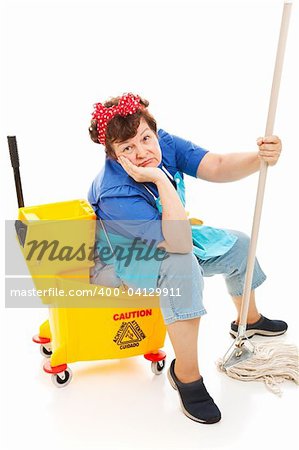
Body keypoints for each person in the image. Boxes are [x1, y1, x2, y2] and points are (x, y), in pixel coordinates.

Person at [88, 92, 287, 424]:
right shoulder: (115, 191)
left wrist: (260, 158)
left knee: (238, 245)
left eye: (145, 139)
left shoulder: (162, 143)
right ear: (112, 154)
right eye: (127, 149)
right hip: (125, 262)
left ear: (153, 131)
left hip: (170, 238)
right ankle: (186, 374)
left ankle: (248, 320)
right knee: (184, 265)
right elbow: (177, 243)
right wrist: (156, 177)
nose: (142, 152)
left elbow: (217, 165)